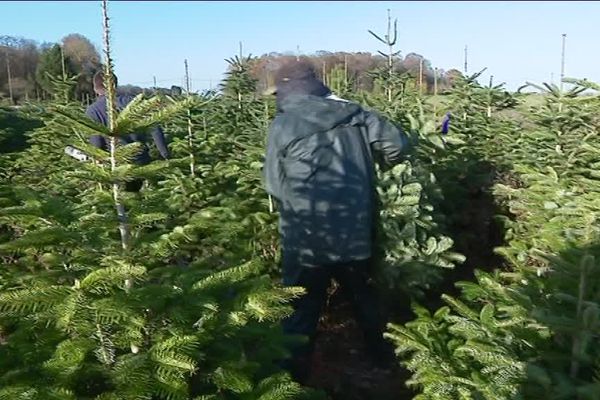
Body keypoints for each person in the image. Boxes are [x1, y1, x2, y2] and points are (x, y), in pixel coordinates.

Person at [263, 59, 411, 382]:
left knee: (301, 308)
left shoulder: (283, 125)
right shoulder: (356, 114)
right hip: (355, 232)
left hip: (306, 239)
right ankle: (384, 361)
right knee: (364, 299)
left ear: (287, 91)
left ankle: (292, 380)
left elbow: (274, 184)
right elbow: (397, 146)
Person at [85, 71, 170, 192]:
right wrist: (165, 155)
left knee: (124, 203)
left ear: (95, 89)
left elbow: (97, 145)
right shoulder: (134, 102)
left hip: (116, 167)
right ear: (115, 85)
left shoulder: (92, 111)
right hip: (142, 162)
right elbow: (155, 127)